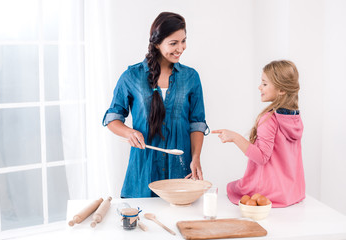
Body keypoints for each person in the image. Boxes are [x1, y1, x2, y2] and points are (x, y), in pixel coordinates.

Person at [103, 12, 209, 198]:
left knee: (178, 222)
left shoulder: (191, 77)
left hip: (180, 170)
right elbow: (113, 118)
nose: (181, 48)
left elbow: (197, 123)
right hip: (143, 171)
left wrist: (196, 158)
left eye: (183, 41)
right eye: (173, 43)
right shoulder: (132, 76)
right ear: (157, 43)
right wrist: (129, 132)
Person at [212, 60, 305, 207]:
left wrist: (235, 137)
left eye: (265, 84)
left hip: (269, 193)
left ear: (281, 90)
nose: (259, 87)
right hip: (293, 192)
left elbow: (261, 157)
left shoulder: (268, 119)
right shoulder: (294, 118)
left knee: (233, 188)